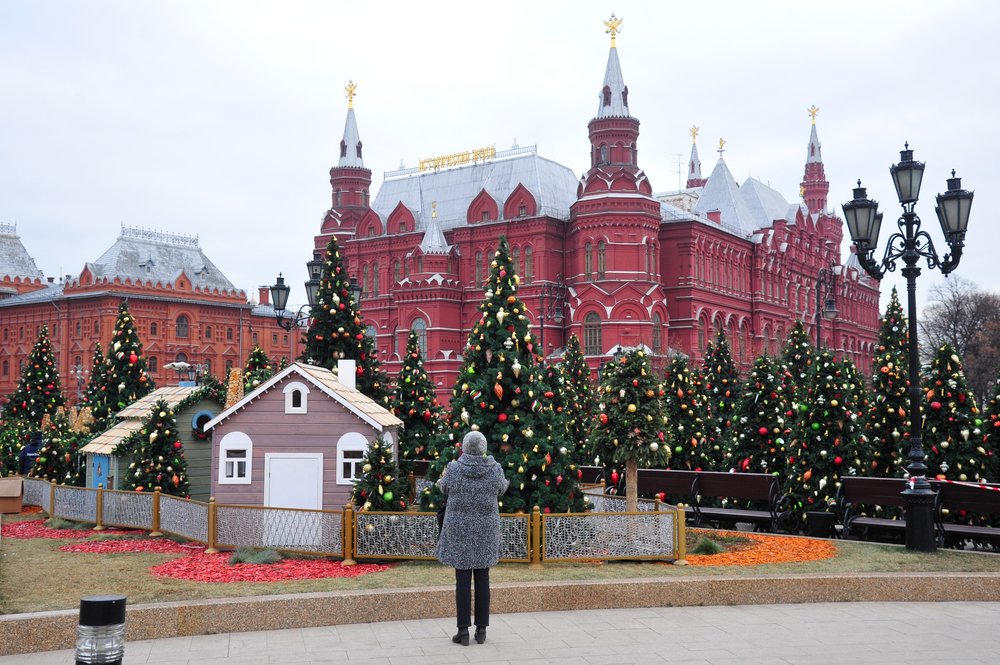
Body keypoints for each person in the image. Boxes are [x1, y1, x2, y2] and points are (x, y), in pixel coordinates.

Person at [436, 430, 508, 646]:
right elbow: (502, 488)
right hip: (486, 531)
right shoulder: (494, 469)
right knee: (483, 578)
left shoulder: (454, 469)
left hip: (459, 532)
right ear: (484, 448)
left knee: (463, 580)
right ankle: (482, 631)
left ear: (464, 448)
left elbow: (443, 487)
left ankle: (463, 631)